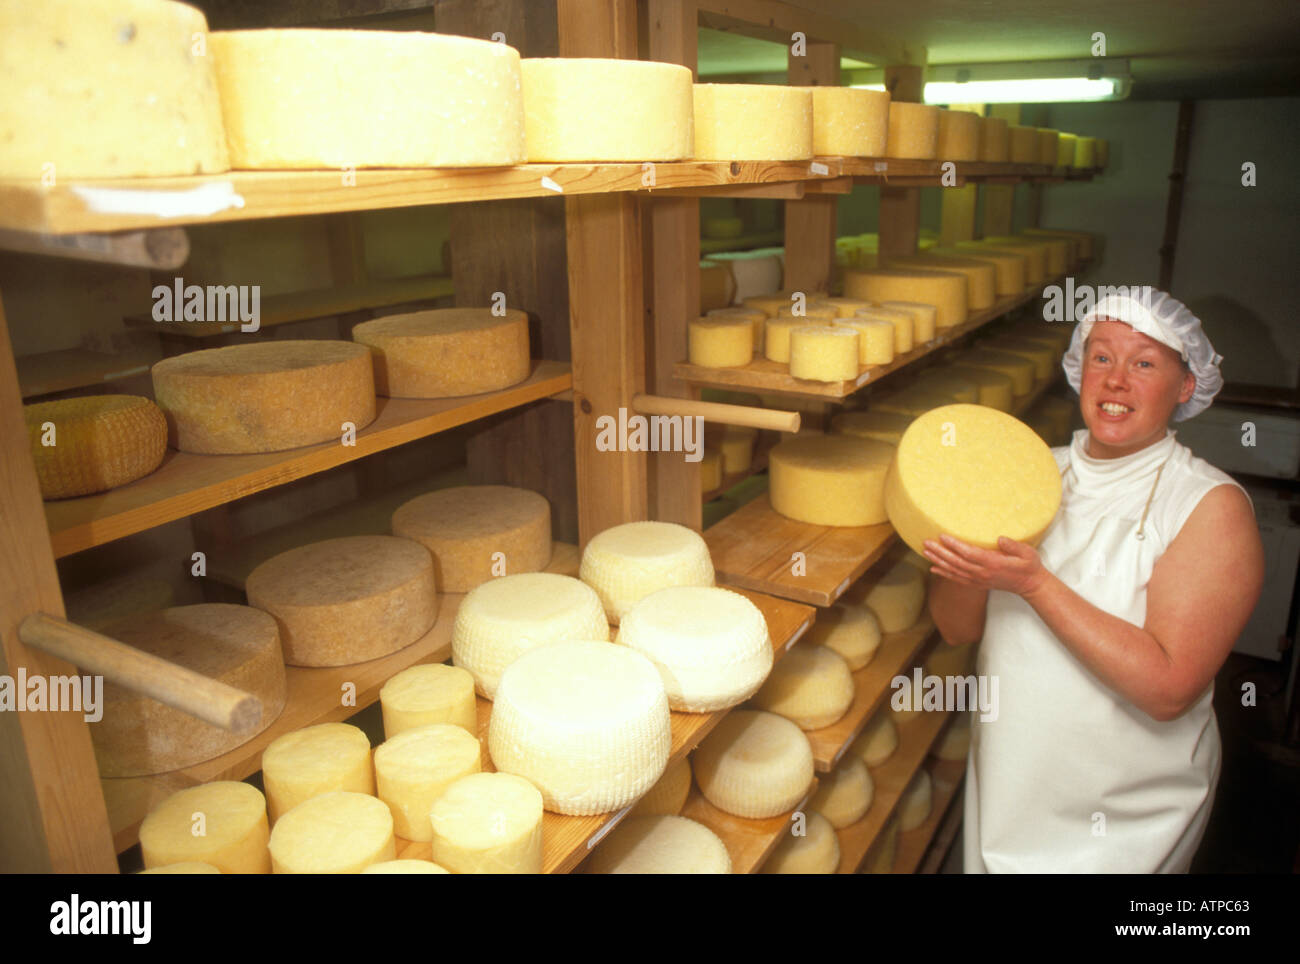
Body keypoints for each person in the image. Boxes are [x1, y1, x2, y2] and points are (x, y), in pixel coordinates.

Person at [925, 287, 1265, 873]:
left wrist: (1036, 585)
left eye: (1144, 364)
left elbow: (1168, 688)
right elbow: (955, 627)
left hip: (1127, 817)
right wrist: (967, 557)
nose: (1115, 381)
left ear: (1185, 387)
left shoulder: (1208, 507)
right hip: (1012, 786)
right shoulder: (1030, 475)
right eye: (1102, 357)